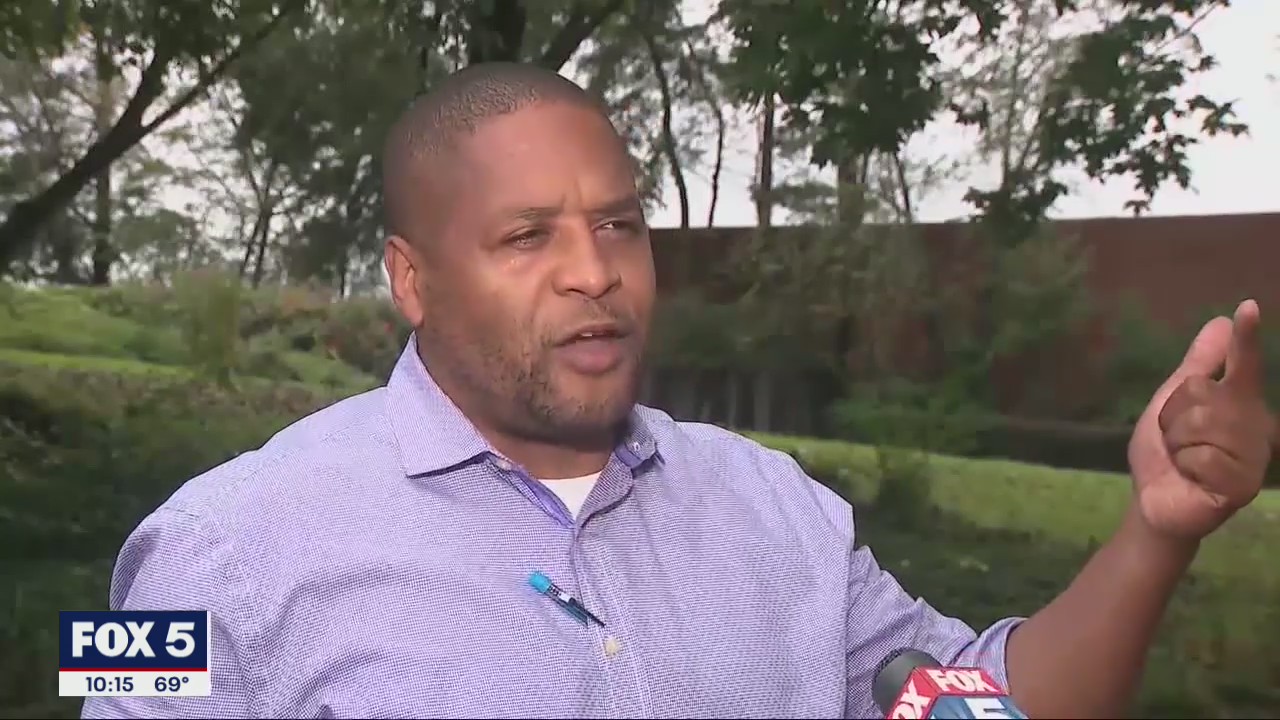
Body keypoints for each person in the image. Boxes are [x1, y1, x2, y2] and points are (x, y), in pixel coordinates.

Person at [82, 62, 1276, 720]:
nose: (593, 271)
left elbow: (980, 711)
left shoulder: (779, 510)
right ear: (411, 279)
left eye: (617, 225)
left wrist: (1155, 532)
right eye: (526, 237)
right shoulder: (209, 545)